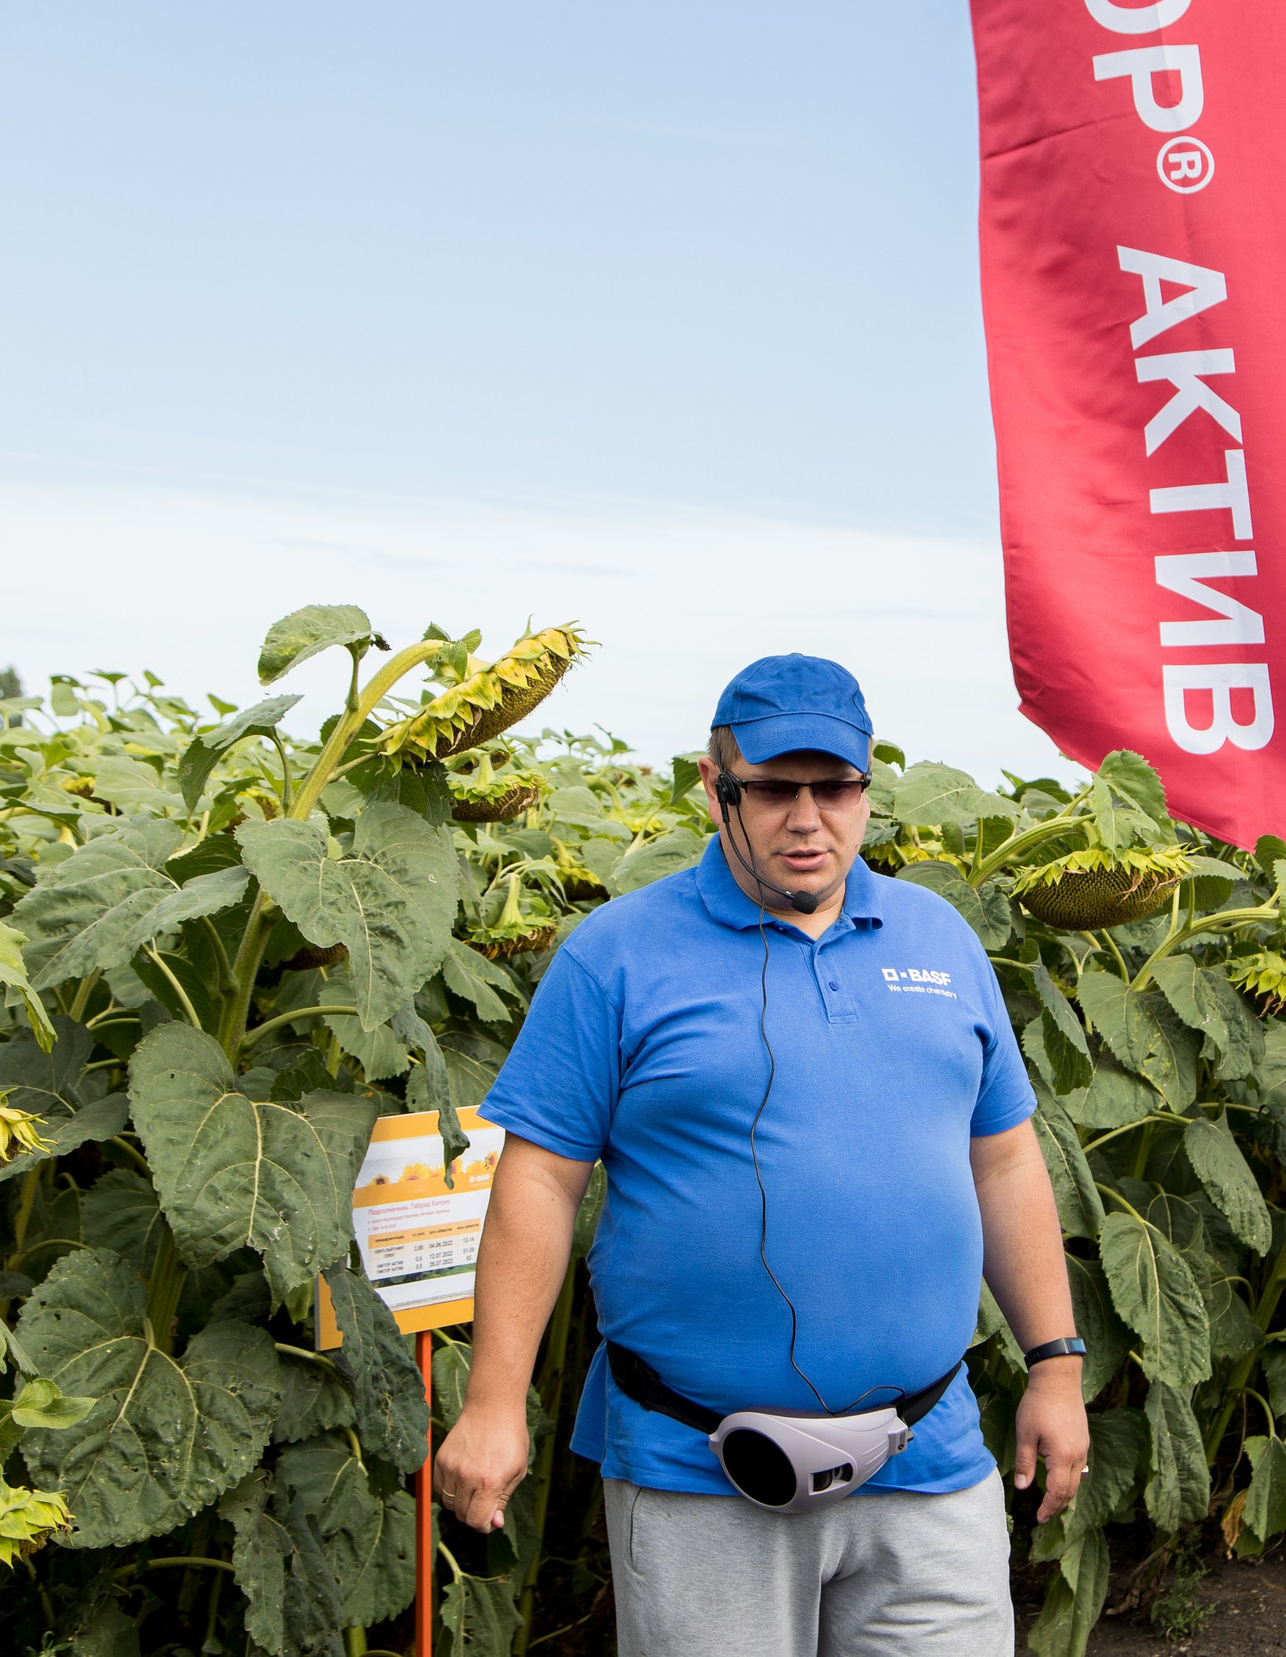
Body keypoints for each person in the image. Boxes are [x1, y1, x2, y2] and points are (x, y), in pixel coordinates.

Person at [431, 654, 1091, 1657]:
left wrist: (1053, 1363)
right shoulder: (617, 953)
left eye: (834, 788)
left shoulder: (940, 939)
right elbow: (540, 1177)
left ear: (865, 788)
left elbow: (1001, 1161)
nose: (806, 817)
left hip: (928, 1457)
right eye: (774, 788)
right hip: (699, 1466)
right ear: (715, 786)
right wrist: (491, 1403)